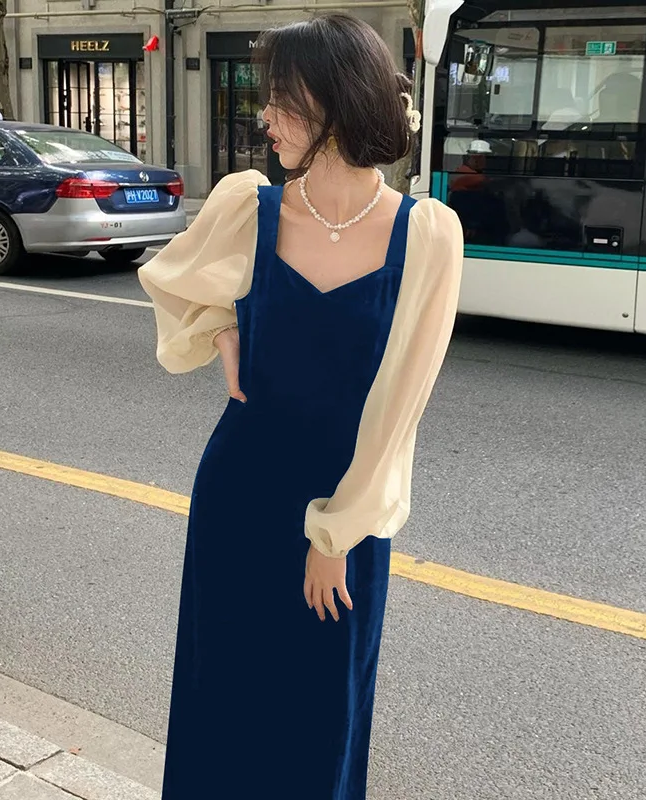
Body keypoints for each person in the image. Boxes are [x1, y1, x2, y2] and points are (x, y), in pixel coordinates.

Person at [138, 14, 463, 799]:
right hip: (239, 493)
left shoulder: (425, 234)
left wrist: (335, 532)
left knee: (322, 717)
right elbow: (171, 279)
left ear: (332, 104)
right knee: (222, 700)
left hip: (344, 506)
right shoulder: (250, 208)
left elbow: (400, 408)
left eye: (280, 102)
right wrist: (223, 328)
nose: (265, 119)